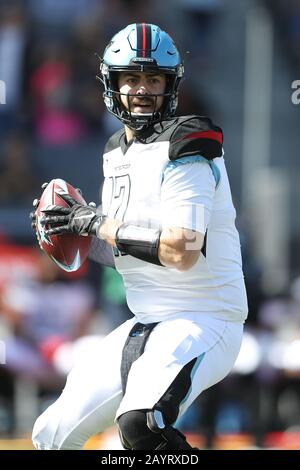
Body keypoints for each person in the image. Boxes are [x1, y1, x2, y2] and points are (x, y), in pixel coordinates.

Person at [30, 23, 248, 450]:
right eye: (131, 78)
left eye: (154, 78)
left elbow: (181, 250)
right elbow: (128, 250)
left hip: (205, 318)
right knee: (50, 435)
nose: (143, 89)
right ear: (113, 85)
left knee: (141, 425)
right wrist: (68, 229)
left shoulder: (189, 142)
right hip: (145, 321)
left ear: (172, 84)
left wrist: (94, 223)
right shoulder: (115, 150)